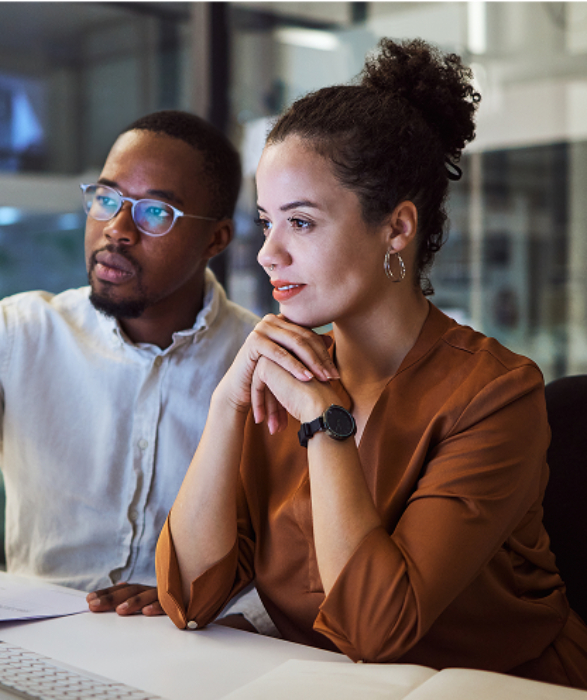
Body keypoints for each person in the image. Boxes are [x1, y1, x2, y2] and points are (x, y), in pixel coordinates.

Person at [156, 40, 587, 687]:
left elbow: (375, 629)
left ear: (397, 229)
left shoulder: (496, 392)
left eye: (300, 224)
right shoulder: (282, 373)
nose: (268, 254)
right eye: (268, 222)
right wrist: (226, 406)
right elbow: (189, 598)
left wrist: (329, 425)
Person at [0, 110, 271, 629]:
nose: (116, 229)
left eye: (156, 212)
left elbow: (294, 561)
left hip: (197, 645)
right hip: (37, 640)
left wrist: (214, 602)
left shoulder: (261, 365)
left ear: (217, 239)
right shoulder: (23, 332)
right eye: (108, 199)